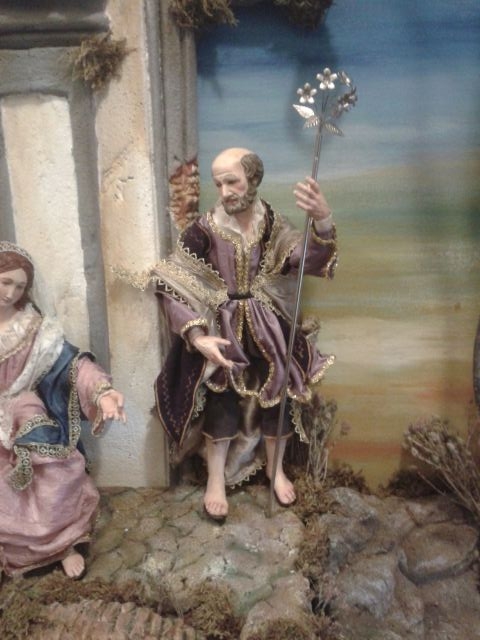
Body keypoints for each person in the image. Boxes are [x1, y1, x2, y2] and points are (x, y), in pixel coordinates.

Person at [154, 147, 337, 520]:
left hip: (267, 325)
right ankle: (216, 478)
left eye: (232, 182)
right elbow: (173, 282)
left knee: (278, 393)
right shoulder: (204, 230)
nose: (224, 192)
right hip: (222, 326)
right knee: (221, 395)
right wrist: (197, 336)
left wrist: (322, 219)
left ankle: (275, 469)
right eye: (218, 183)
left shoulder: (272, 225)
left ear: (253, 179)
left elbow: (307, 260)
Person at [0, 241, 126, 579]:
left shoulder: (34, 329)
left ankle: (62, 543)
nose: (10, 293)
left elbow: (72, 365)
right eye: (5, 282)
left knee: (53, 465)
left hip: (23, 407)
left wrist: (102, 392)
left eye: (19, 286)